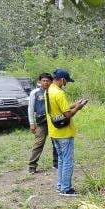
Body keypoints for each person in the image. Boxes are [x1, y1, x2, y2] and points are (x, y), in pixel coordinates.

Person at [47, 68, 87, 197]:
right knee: (68, 161)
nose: (66, 83)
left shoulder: (48, 91)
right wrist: (79, 108)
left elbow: (60, 109)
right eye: (66, 81)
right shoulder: (59, 93)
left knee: (61, 160)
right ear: (62, 79)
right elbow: (68, 114)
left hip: (54, 132)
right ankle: (66, 188)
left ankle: (60, 186)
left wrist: (74, 104)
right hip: (64, 133)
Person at [28, 73, 58, 173]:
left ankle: (57, 163)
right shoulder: (35, 92)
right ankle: (32, 166)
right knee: (39, 143)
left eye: (47, 81)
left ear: (51, 81)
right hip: (41, 122)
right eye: (43, 81)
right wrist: (32, 123)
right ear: (40, 82)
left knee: (56, 142)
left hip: (54, 121)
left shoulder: (54, 91)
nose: (45, 82)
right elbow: (31, 108)